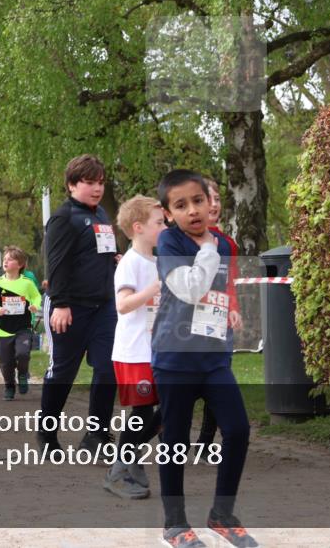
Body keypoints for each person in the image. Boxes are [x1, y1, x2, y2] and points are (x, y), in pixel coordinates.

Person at [153, 169, 256, 548]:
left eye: (198, 201)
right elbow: (193, 289)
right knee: (175, 441)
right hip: (175, 358)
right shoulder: (169, 243)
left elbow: (221, 287)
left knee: (239, 430)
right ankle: (175, 525)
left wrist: (231, 310)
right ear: (168, 213)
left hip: (213, 357)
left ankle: (222, 515)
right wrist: (207, 248)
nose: (193, 210)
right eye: (181, 205)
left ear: (210, 202)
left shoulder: (225, 245)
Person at [38, 154, 119, 454]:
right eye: (89, 183)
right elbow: (56, 264)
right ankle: (47, 436)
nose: (97, 189)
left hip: (103, 308)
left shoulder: (102, 216)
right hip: (68, 307)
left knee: (108, 369)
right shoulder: (64, 217)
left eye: (100, 182)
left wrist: (118, 260)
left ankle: (96, 436)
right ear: (72, 184)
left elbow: (106, 251)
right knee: (62, 374)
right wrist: (60, 303)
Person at [103, 195, 166, 500]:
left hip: (159, 348)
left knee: (170, 406)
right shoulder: (130, 263)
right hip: (134, 350)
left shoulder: (159, 260)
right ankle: (119, 471)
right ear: (139, 227)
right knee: (141, 411)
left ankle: (132, 457)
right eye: (159, 222)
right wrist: (151, 290)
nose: (165, 226)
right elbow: (123, 304)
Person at [195, 177, 243, 456]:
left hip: (218, 319)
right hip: (186, 323)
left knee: (218, 380)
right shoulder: (179, 239)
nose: (214, 205)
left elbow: (230, 281)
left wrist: (233, 308)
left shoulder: (228, 244)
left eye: (217, 199)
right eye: (206, 199)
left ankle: (205, 442)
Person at [0, 246, 41, 400]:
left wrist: (34, 306)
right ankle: (9, 386)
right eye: (4, 259)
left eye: (10, 259)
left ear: (20, 264)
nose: (6, 261)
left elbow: (37, 297)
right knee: (6, 363)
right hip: (5, 329)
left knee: (23, 353)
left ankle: (23, 374)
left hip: (23, 327)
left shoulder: (27, 283)